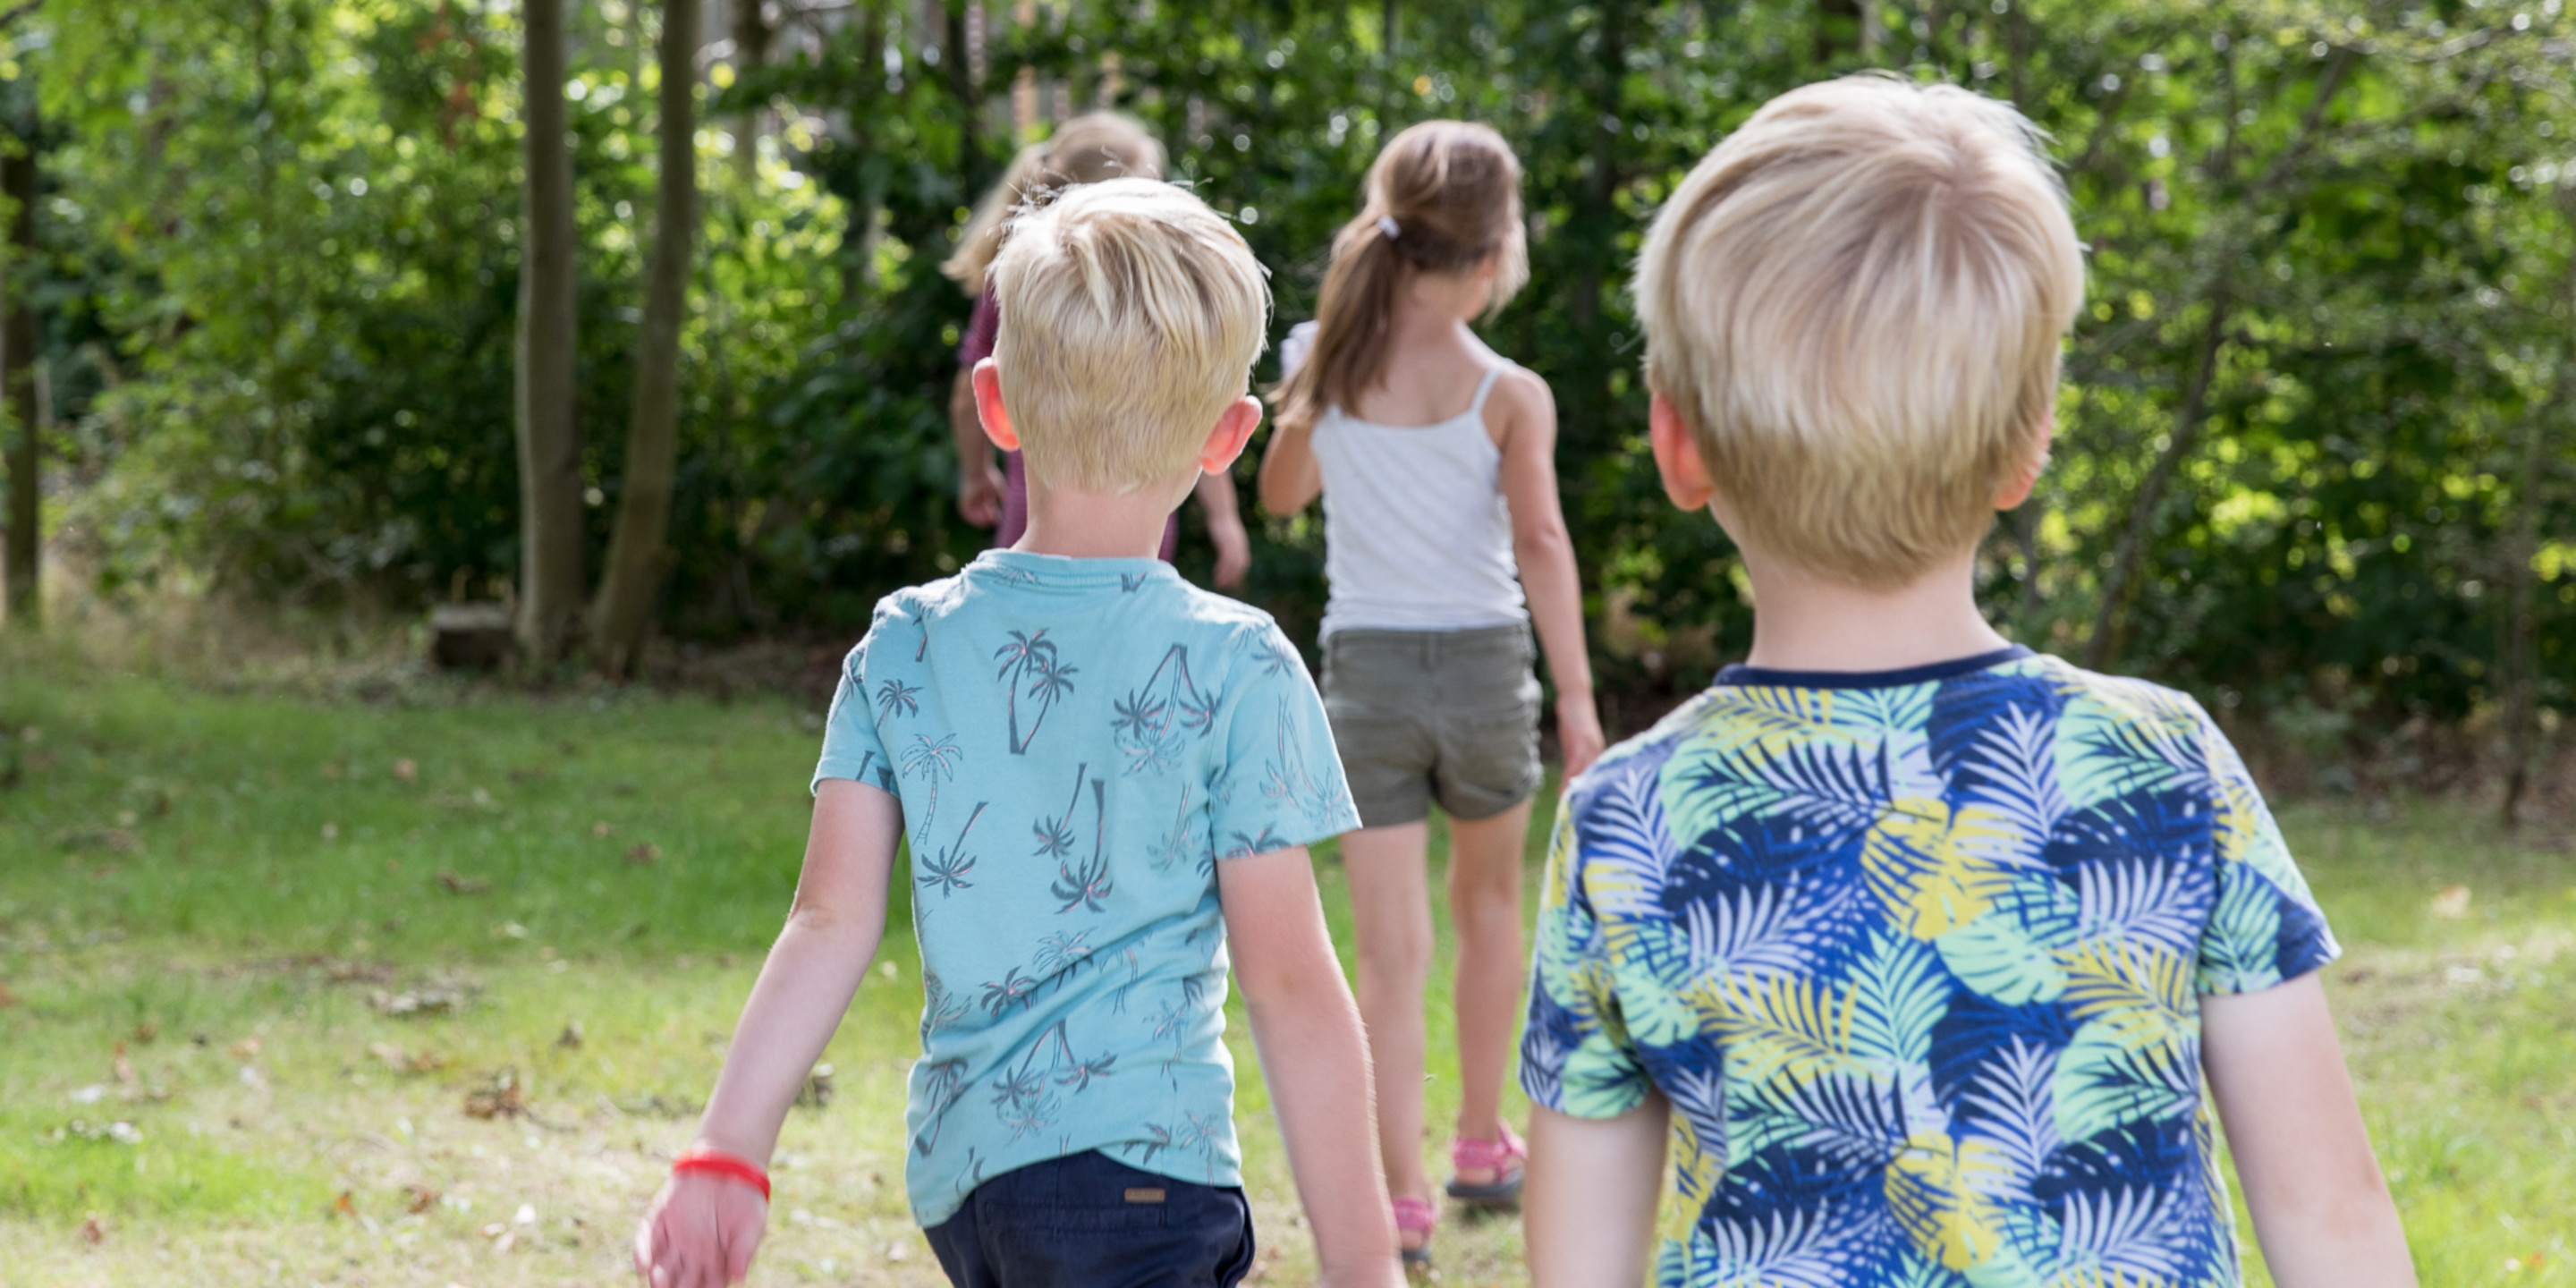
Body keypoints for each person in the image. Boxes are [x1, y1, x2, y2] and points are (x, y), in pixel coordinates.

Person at [1517, 75, 2414, 1288]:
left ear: (1678, 446)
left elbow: (1578, 1271)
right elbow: (2334, 1222)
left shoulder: (1627, 823)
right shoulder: (2163, 768)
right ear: (2029, 442)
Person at [635, 178, 1402, 1288]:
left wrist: (728, 1152)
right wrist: (1367, 1266)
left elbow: (825, 922)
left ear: (995, 409)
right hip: (1149, 1182)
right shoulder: (1237, 667)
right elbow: (1290, 987)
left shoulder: (906, 643)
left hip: (971, 1189)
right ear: (1232, 435)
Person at [1258, 119, 1607, 1267]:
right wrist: (1578, 702)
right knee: (1490, 914)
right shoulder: (1510, 392)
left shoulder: (1324, 353)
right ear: (1495, 251)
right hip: (1483, 673)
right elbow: (1543, 540)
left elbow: (1279, 497)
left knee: (1389, 950)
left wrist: (1314, 388)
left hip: (1363, 678)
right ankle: (1477, 1144)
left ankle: (1399, 1192)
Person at [943, 113, 1251, 589]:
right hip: (1140, 556)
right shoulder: (1165, 306)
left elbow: (968, 396)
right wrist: (1224, 517)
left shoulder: (1011, 282)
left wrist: (976, 472)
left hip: (1029, 534)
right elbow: (1199, 407)